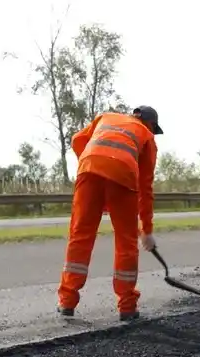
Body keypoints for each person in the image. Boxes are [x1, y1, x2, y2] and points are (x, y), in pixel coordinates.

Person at [57, 106, 162, 322]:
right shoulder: (147, 137)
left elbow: (77, 139)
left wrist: (93, 165)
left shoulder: (105, 117)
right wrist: (147, 230)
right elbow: (146, 187)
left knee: (80, 236)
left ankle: (66, 301)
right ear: (150, 124)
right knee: (126, 241)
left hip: (89, 170)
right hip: (123, 175)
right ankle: (127, 306)